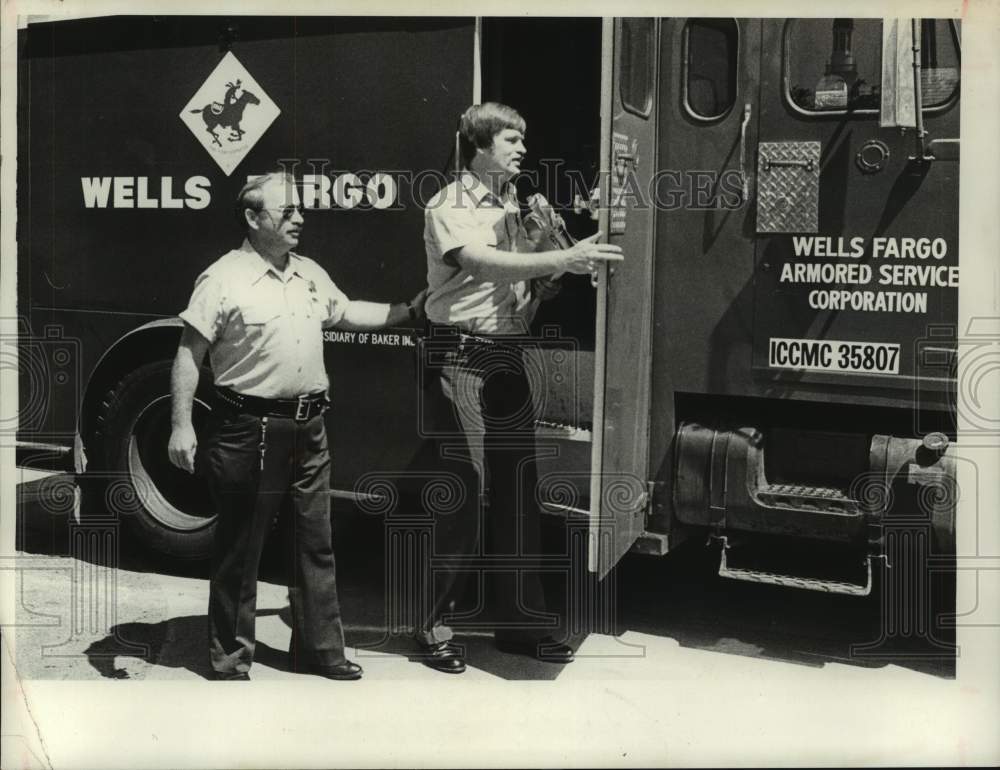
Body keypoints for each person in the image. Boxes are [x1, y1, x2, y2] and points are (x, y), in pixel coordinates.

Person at [168, 171, 424, 681]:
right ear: (252, 217)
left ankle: (320, 652)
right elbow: (188, 353)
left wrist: (409, 311)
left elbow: (346, 312)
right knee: (243, 546)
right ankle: (230, 657)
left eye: (300, 210)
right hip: (250, 429)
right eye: (287, 211)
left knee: (315, 541)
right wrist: (181, 425)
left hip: (310, 429)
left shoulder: (308, 272)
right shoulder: (222, 279)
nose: (300, 218)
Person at [415, 102, 623, 673]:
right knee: (467, 491)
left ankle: (520, 624)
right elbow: (481, 265)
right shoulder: (449, 205)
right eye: (512, 139)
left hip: (507, 356)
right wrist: (566, 256)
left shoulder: (515, 205)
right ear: (480, 146)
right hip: (461, 357)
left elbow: (527, 282)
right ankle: (432, 625)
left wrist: (555, 267)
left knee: (517, 493)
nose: (523, 149)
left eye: (523, 139)